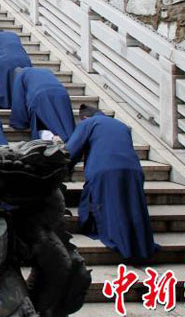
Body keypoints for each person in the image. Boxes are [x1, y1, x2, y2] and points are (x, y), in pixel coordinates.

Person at [66, 105, 158, 261]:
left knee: (111, 207)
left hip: (105, 169)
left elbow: (71, 151)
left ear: (85, 117)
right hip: (133, 169)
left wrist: (63, 169)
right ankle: (141, 245)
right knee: (131, 206)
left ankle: (124, 246)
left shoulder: (88, 123)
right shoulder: (121, 125)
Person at [9, 67, 75, 141]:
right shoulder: (46, 71)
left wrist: (19, 122)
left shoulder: (20, 75)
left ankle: (53, 138)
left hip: (40, 94)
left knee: (40, 121)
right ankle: (70, 140)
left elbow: (18, 99)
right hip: (62, 92)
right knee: (65, 121)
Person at [0, 31, 32, 109]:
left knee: (3, 82)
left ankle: (5, 105)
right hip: (24, 61)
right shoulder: (14, 35)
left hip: (4, 61)